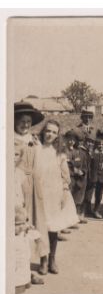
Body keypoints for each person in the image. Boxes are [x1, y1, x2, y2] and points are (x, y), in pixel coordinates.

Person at [34, 120, 79, 274]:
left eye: (53, 132)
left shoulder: (59, 152)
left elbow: (65, 176)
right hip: (39, 193)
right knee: (41, 227)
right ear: (43, 131)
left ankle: (52, 259)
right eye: (48, 131)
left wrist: (64, 193)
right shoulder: (36, 148)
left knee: (53, 228)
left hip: (55, 194)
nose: (50, 134)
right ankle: (43, 260)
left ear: (57, 135)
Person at [14, 102, 50, 276]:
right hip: (16, 185)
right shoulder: (9, 139)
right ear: (15, 121)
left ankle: (44, 259)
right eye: (22, 121)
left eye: (28, 121)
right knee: (20, 225)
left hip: (35, 185)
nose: (25, 125)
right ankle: (24, 269)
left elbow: (41, 164)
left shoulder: (35, 140)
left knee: (39, 221)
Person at [15, 145, 44, 287]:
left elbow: (24, 192)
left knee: (23, 245)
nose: (13, 158)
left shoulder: (19, 173)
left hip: (19, 211)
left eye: (16, 155)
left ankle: (25, 275)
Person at [64, 130, 89, 224]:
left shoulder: (80, 152)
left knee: (77, 198)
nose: (71, 142)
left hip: (78, 179)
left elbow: (84, 166)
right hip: (68, 178)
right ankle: (66, 219)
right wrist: (74, 170)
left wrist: (82, 172)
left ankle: (75, 217)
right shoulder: (63, 151)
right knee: (67, 199)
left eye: (73, 140)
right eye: (69, 139)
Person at [89, 135, 103, 219]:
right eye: (99, 144)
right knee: (88, 194)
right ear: (96, 145)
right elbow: (89, 165)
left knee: (99, 195)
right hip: (93, 177)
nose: (101, 146)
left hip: (102, 178)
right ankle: (86, 209)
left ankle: (96, 210)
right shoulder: (92, 154)